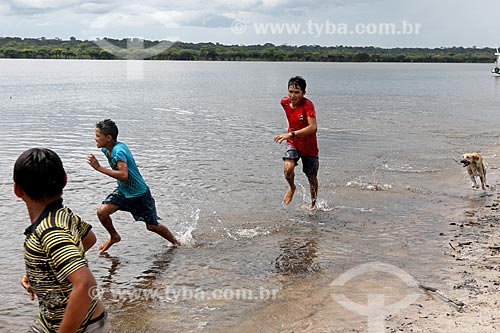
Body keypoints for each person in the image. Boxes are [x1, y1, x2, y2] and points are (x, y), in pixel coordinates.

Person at [14, 148, 110, 333]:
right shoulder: (62, 214)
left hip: (81, 327)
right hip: (54, 321)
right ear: (65, 180)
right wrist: (42, 271)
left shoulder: (50, 231)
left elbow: (85, 284)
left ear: (17, 189)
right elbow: (89, 238)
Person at [87, 119, 180, 253]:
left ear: (108, 138)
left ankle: (176, 243)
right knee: (102, 212)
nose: (95, 139)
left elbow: (124, 175)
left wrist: (98, 168)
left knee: (152, 226)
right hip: (124, 191)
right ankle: (114, 236)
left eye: (97, 136)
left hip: (139, 194)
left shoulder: (118, 151)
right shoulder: (107, 149)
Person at [274, 76, 319, 209]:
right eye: (290, 92)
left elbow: (313, 127)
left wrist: (291, 133)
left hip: (309, 146)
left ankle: (313, 205)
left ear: (304, 93)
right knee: (288, 169)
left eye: (297, 92)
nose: (293, 95)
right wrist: (291, 136)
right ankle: (292, 187)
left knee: (311, 178)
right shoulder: (284, 102)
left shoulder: (307, 105)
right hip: (293, 142)